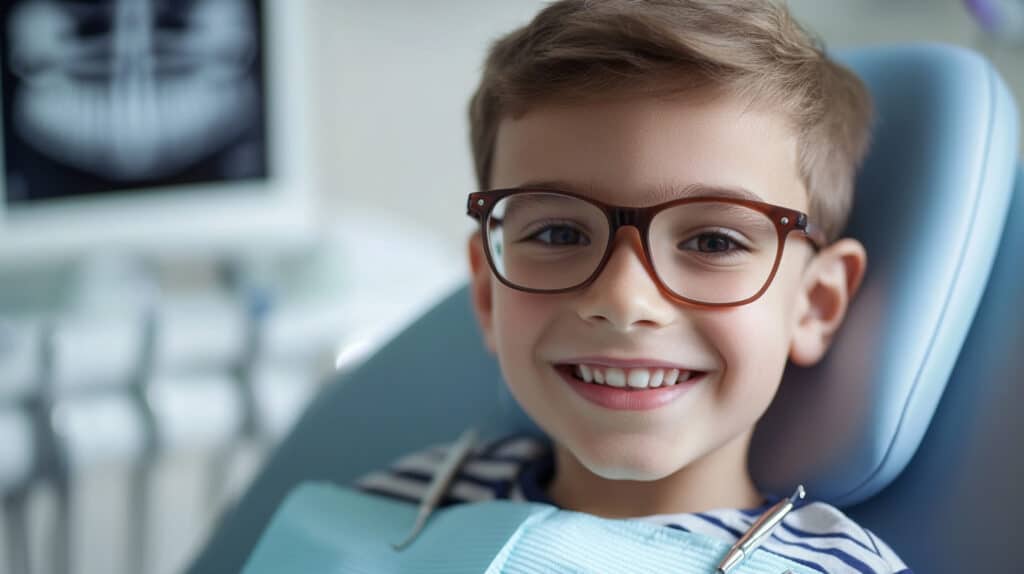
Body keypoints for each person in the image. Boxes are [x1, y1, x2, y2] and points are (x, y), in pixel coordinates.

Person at [357, 1, 910, 571]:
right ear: (486, 292)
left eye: (713, 242)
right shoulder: (393, 509)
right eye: (558, 232)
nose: (624, 301)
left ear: (813, 305)